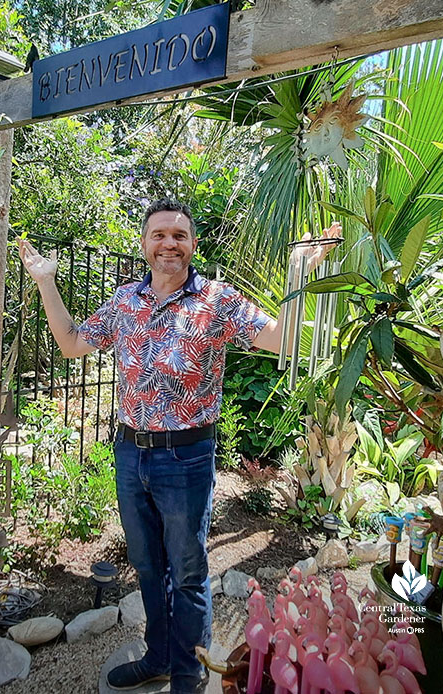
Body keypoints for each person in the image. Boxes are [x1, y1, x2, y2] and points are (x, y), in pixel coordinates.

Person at [19, 199, 339, 694]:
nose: (169, 242)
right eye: (159, 234)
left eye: (179, 235)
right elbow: (71, 343)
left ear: (192, 245)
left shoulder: (216, 299)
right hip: (131, 455)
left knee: (187, 573)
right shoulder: (125, 302)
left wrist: (299, 274)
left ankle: (188, 679)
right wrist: (45, 280)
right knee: (147, 567)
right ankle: (160, 658)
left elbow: (286, 339)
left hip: (186, 459)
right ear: (144, 244)